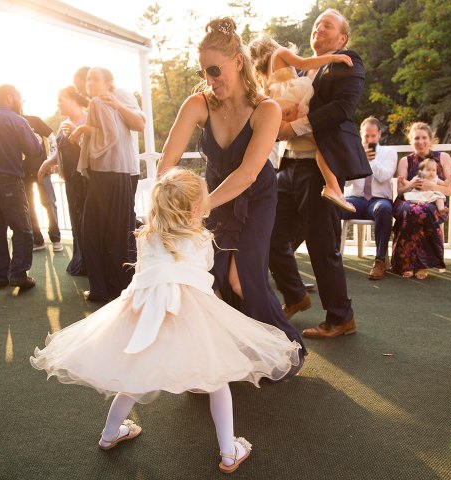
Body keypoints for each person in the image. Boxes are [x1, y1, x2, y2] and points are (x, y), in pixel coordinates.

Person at [31, 168, 301, 473]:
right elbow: (205, 276)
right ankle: (228, 451)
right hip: (191, 311)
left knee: (132, 377)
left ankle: (109, 435)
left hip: (144, 310)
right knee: (217, 381)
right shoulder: (201, 238)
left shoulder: (146, 236)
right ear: (197, 209)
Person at [156, 17, 306, 359]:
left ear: (238, 62)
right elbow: (168, 159)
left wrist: (203, 205)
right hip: (214, 201)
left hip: (255, 199)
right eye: (203, 73)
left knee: (244, 281)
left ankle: (284, 348)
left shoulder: (265, 109)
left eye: (214, 70)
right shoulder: (199, 104)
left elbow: (249, 173)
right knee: (212, 280)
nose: (209, 80)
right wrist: (170, 201)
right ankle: (224, 353)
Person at [269, 8, 371, 338]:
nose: (318, 29)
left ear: (342, 38)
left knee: (321, 243)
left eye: (327, 25)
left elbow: (342, 109)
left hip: (319, 165)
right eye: (316, 25)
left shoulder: (347, 61)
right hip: (288, 166)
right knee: (270, 235)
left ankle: (341, 318)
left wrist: (293, 127)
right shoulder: (300, 69)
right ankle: (296, 295)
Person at [248, 35, 356, 212]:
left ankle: (333, 188)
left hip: (279, 107)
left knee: (316, 144)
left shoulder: (264, 74)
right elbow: (305, 63)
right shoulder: (280, 53)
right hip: (293, 99)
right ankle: (333, 187)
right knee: (322, 144)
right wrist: (334, 58)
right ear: (271, 45)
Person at [69, 67, 137, 301]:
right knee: (115, 235)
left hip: (107, 176)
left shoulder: (105, 100)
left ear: (109, 83)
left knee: (94, 234)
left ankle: (103, 289)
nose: (89, 83)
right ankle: (117, 288)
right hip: (115, 175)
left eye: (95, 79)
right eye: (88, 79)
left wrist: (84, 128)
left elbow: (111, 136)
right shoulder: (98, 102)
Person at [391, 122, 451, 280]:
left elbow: (450, 190)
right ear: (411, 140)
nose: (420, 142)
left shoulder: (443, 158)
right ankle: (407, 263)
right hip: (408, 199)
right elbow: (400, 191)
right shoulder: (405, 161)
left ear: (430, 139)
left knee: (424, 211)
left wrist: (431, 186)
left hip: (434, 201)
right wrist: (412, 184)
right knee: (411, 210)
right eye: (416, 138)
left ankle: (420, 264)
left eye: (424, 138)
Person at [38, 86, 89, 275]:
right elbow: (61, 151)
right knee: (76, 221)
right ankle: (82, 260)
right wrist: (46, 163)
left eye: (61, 99)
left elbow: (94, 150)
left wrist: (78, 133)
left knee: (87, 221)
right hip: (71, 183)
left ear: (73, 100)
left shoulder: (87, 120)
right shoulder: (63, 124)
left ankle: (94, 262)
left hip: (86, 182)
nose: (58, 103)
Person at [73, 66, 145, 198]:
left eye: (79, 88)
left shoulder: (120, 94)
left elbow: (140, 125)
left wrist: (118, 105)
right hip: (101, 171)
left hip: (122, 171)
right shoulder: (95, 102)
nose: (80, 93)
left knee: (123, 216)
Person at [342, 116, 397, 280]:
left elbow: (385, 176)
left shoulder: (389, 153)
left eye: (373, 136)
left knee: (385, 209)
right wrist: (359, 160)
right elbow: (345, 181)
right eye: (366, 136)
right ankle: (333, 256)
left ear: (379, 134)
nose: (370, 139)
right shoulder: (352, 151)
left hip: (378, 200)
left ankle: (380, 260)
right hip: (356, 199)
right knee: (334, 207)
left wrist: (370, 161)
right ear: (361, 134)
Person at [0, 84, 42, 289]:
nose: (20, 101)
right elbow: (34, 150)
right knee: (22, 228)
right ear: (9, 97)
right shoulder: (16, 120)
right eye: (18, 97)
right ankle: (18, 274)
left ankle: (0, 275)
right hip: (9, 180)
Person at [21, 114, 63, 252]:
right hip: (23, 173)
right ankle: (37, 240)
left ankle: (56, 238)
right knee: (28, 207)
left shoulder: (34, 120)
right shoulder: (11, 122)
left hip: (42, 171)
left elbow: (52, 138)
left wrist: (50, 160)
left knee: (49, 203)